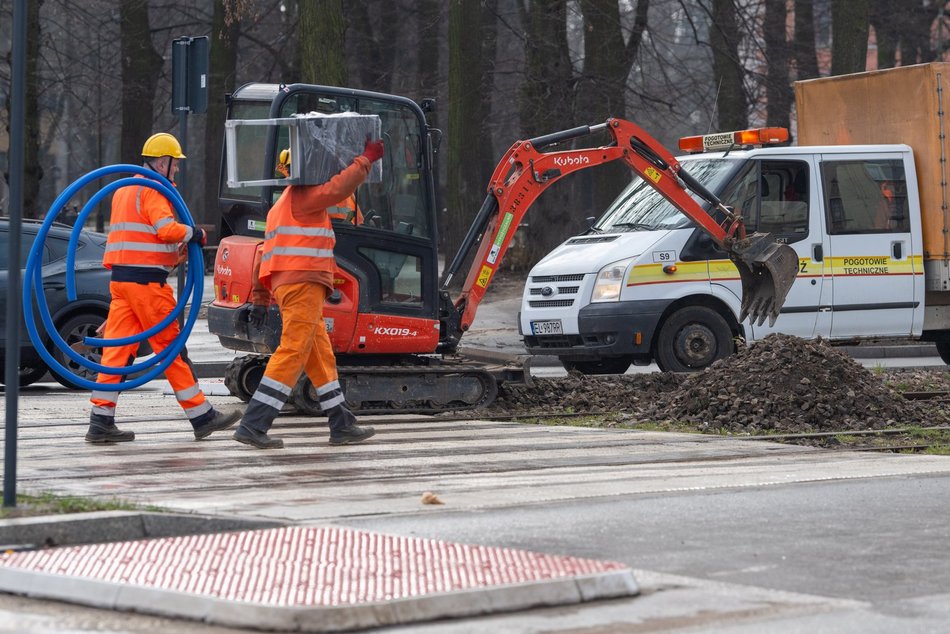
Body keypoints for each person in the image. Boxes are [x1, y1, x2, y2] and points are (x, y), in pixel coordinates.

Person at [86, 132, 241, 444]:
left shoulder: (125, 189)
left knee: (117, 352)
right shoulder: (154, 189)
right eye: (175, 163)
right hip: (146, 286)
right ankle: (202, 416)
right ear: (162, 162)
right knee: (172, 349)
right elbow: (165, 229)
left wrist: (175, 253)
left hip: (121, 281)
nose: (178, 169)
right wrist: (194, 233)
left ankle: (100, 420)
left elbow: (142, 238)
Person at [232, 138, 384, 449]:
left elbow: (264, 256)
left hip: (291, 285)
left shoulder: (281, 205)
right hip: (303, 284)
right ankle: (253, 424)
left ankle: (341, 423)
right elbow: (338, 189)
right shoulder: (305, 197)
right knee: (293, 351)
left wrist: (260, 300)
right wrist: (365, 159)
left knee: (320, 355)